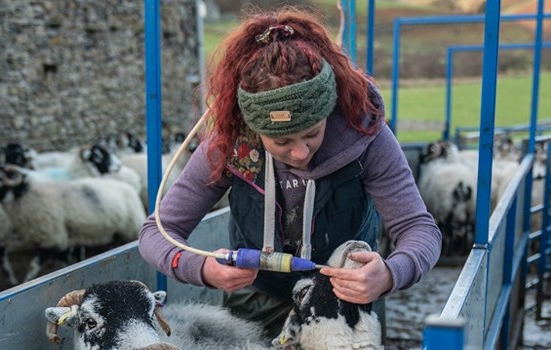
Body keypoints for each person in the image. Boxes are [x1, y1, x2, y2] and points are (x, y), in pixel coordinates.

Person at [139, 6, 441, 340]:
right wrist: (203, 269)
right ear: (253, 127)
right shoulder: (229, 144)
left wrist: (387, 274)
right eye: (281, 140)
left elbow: (419, 228)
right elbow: (156, 232)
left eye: (312, 133)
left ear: (328, 108)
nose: (300, 152)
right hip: (256, 301)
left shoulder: (365, 135)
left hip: (346, 299)